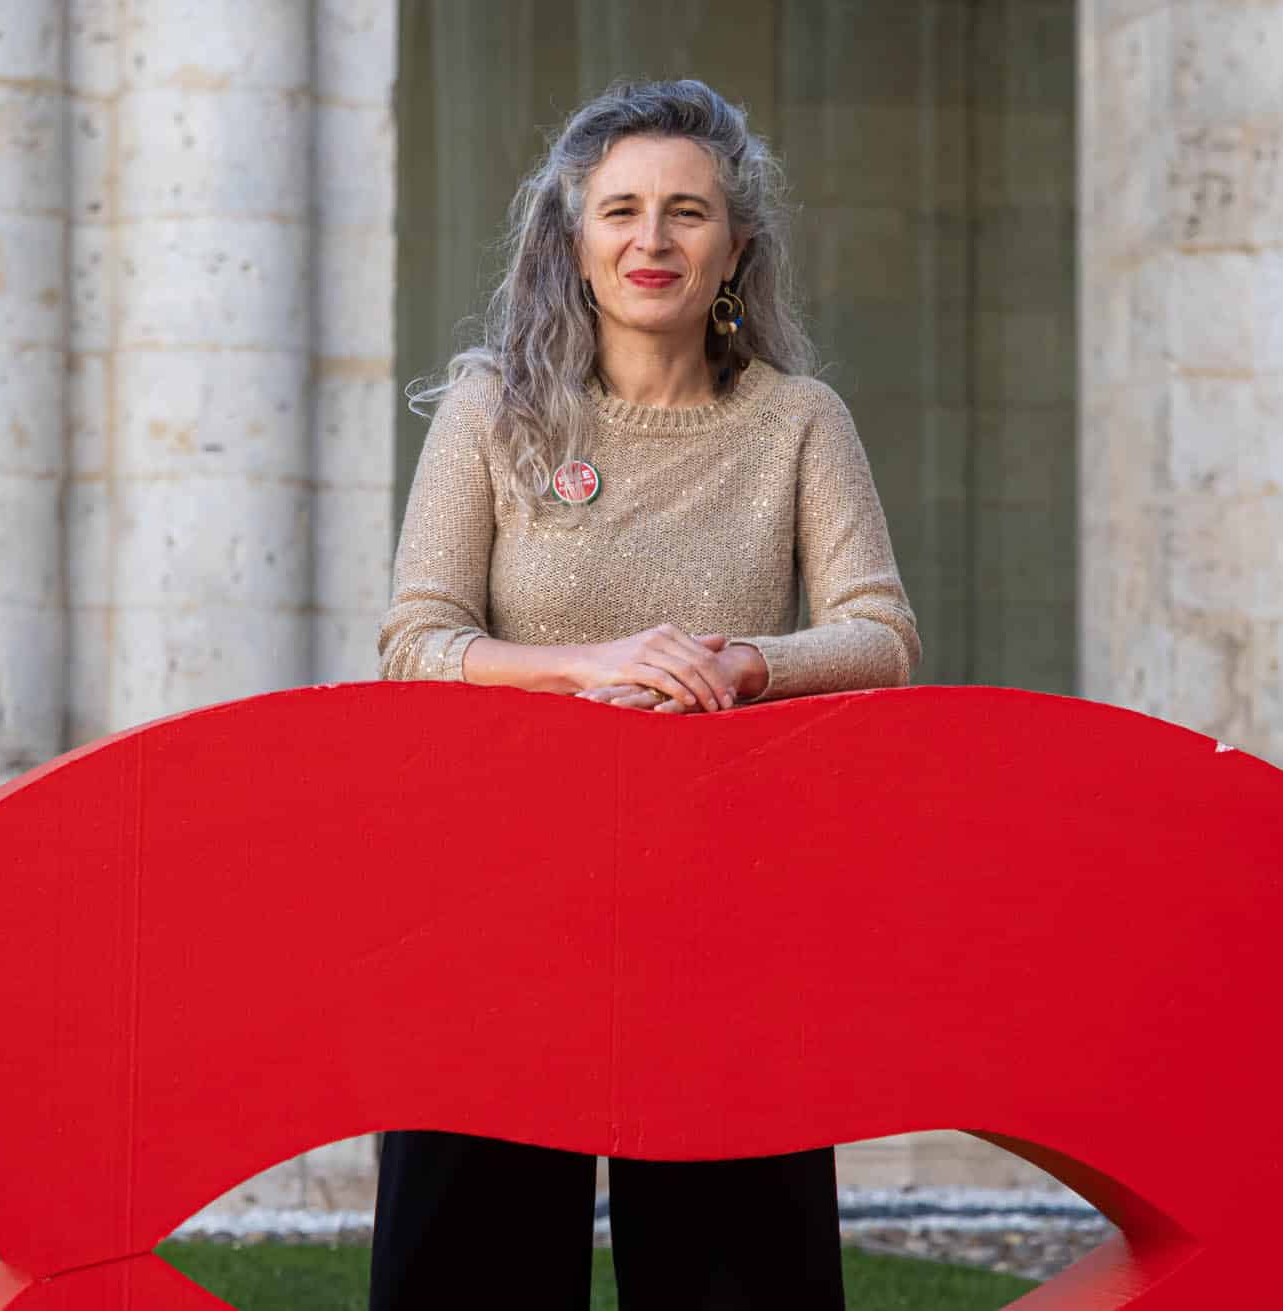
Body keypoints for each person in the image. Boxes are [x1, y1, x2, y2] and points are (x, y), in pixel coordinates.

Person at [372, 78, 920, 1311]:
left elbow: (881, 635)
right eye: (620, 210)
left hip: (724, 905)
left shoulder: (797, 423)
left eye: (687, 211)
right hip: (499, 901)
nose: (651, 240)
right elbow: (416, 641)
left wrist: (742, 665)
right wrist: (593, 663)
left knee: (736, 1280)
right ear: (572, 239)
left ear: (735, 245)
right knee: (472, 1275)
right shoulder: (490, 412)